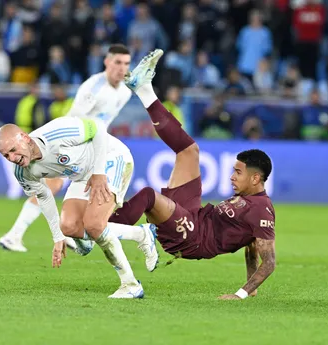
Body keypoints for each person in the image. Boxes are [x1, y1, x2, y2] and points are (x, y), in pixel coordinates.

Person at [109, 49, 276, 300]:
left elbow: (269, 260)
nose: (232, 177)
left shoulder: (262, 210)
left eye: (238, 173)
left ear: (256, 179)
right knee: (189, 151)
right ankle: (144, 89)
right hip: (195, 216)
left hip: (193, 238)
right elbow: (251, 248)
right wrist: (252, 291)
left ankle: (100, 230)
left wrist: (241, 294)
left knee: (148, 196)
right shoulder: (251, 206)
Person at [0, 44, 152, 253]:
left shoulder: (124, 91)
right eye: (117, 62)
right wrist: (66, 150)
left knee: (59, 193)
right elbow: (74, 120)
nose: (122, 68)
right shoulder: (93, 87)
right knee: (49, 189)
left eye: (126, 63)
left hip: (94, 148)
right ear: (107, 62)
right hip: (71, 146)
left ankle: (67, 236)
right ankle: (16, 235)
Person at [0, 115, 158, 299]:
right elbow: (44, 196)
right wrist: (57, 237)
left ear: (25, 137)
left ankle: (130, 285)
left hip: (110, 158)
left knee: (94, 224)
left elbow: (98, 127)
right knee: (69, 227)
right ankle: (141, 234)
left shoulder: (57, 134)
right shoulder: (22, 172)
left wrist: (98, 173)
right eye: (6, 155)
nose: (12, 158)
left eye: (13, 150)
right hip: (81, 175)